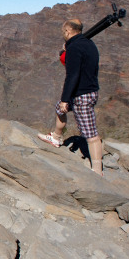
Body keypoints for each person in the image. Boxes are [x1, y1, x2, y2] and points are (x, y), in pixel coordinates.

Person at [38, 19, 104, 175]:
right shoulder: (89, 44)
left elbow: (72, 75)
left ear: (68, 31)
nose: (63, 34)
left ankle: (97, 169)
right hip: (88, 90)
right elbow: (75, 65)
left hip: (82, 94)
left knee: (90, 134)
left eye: (63, 32)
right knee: (59, 110)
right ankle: (56, 137)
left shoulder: (75, 48)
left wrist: (65, 99)